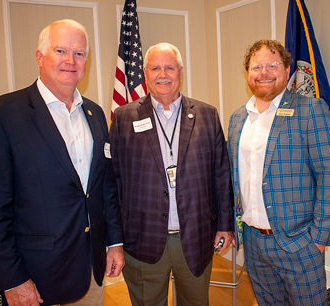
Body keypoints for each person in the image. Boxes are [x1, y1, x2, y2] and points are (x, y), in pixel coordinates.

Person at [0, 19, 124, 306]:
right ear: (39, 56)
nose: (71, 60)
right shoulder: (2, 115)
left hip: (90, 271)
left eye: (79, 53)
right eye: (60, 51)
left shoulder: (95, 116)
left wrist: (114, 243)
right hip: (36, 278)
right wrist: (12, 279)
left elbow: (105, 188)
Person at [109, 42, 234, 306]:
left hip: (196, 236)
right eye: (155, 68)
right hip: (142, 238)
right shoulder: (123, 117)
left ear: (180, 71)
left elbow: (221, 176)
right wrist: (114, 240)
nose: (162, 74)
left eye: (169, 67)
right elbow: (113, 182)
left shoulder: (206, 114)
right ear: (145, 73)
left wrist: (225, 225)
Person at [227, 39, 330, 305]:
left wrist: (318, 238)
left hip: (299, 243)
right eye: (256, 66)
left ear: (286, 71)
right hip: (253, 242)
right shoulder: (238, 119)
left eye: (272, 65)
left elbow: (327, 174)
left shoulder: (310, 110)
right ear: (247, 73)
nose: (263, 73)